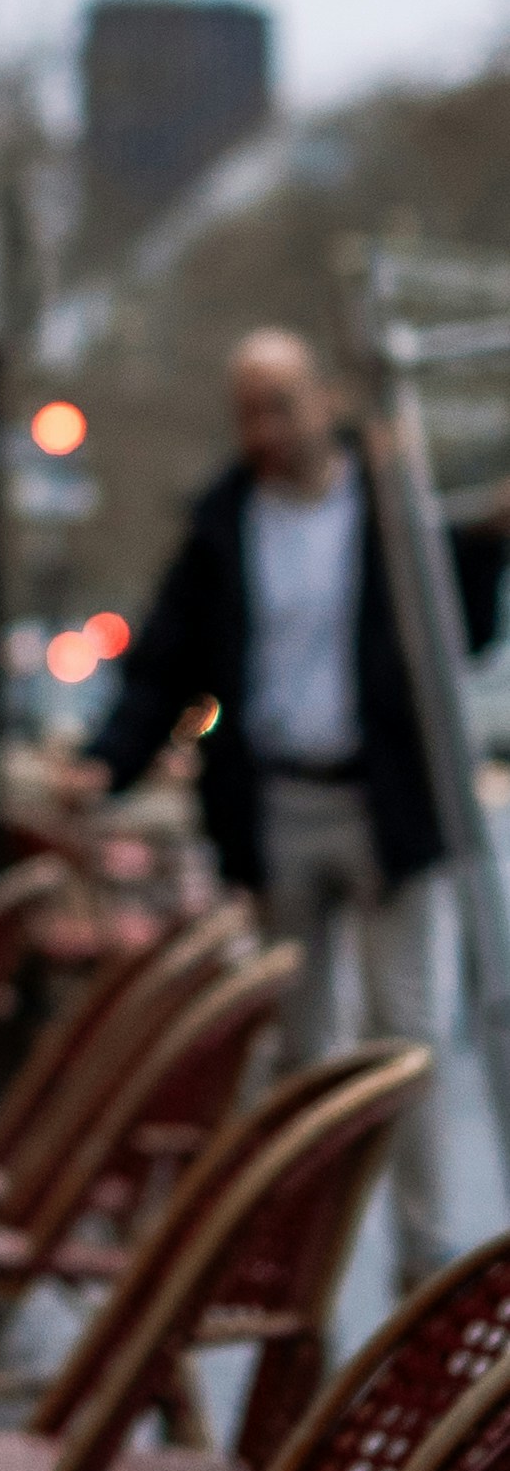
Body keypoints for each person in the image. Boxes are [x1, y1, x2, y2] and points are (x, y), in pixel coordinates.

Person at [73, 327, 510, 1292]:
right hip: (278, 805)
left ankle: (425, 1264)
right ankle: (296, 1266)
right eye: (246, 410)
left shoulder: (390, 505)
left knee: (406, 1041)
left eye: (279, 403)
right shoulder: (223, 523)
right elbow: (167, 666)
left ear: (320, 402)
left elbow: (459, 637)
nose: (263, 429)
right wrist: (107, 762)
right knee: (298, 1051)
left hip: (385, 803)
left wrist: (482, 549)